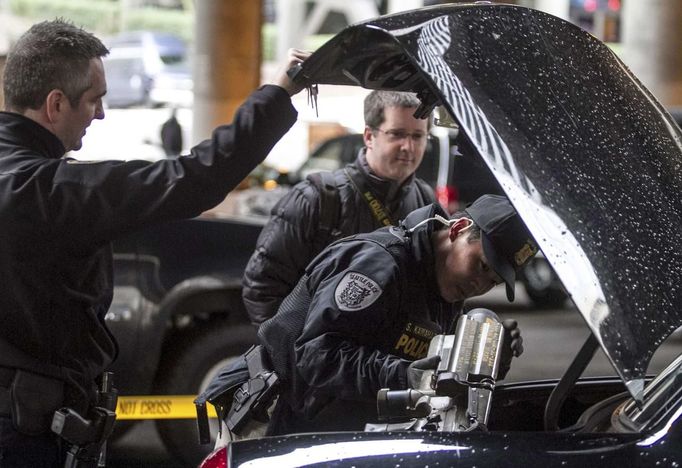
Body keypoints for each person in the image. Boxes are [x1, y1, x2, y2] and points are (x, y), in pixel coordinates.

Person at [0, 19, 308, 467]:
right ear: (55, 103)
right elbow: (195, 178)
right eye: (94, 100)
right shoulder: (50, 191)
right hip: (29, 439)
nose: (101, 114)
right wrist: (278, 93)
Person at [257, 194, 538, 435]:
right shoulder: (378, 266)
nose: (481, 283)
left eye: (494, 281)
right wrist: (406, 376)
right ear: (458, 230)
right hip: (268, 414)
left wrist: (490, 355)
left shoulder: (446, 292)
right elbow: (317, 356)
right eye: (481, 265)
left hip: (330, 429)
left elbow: (444, 378)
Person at [243, 90, 437, 326]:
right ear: (369, 136)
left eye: (418, 136)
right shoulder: (316, 198)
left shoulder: (425, 202)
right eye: (397, 134)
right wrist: (294, 351)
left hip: (379, 359)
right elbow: (262, 286)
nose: (408, 146)